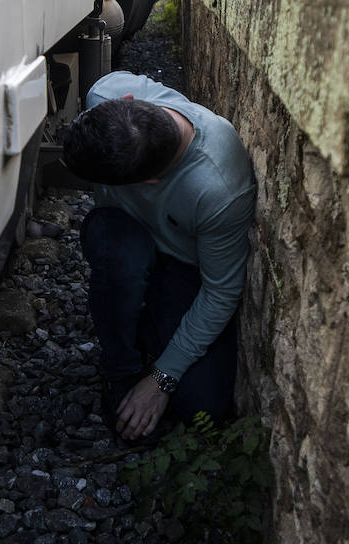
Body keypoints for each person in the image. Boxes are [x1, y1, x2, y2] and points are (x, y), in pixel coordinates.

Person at [60, 71, 256, 441]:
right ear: (130, 100)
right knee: (121, 250)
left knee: (203, 407)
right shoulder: (104, 94)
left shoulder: (218, 189)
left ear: (149, 183)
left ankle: (147, 325)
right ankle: (120, 368)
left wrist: (161, 379)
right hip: (124, 237)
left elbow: (220, 293)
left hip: (182, 265)